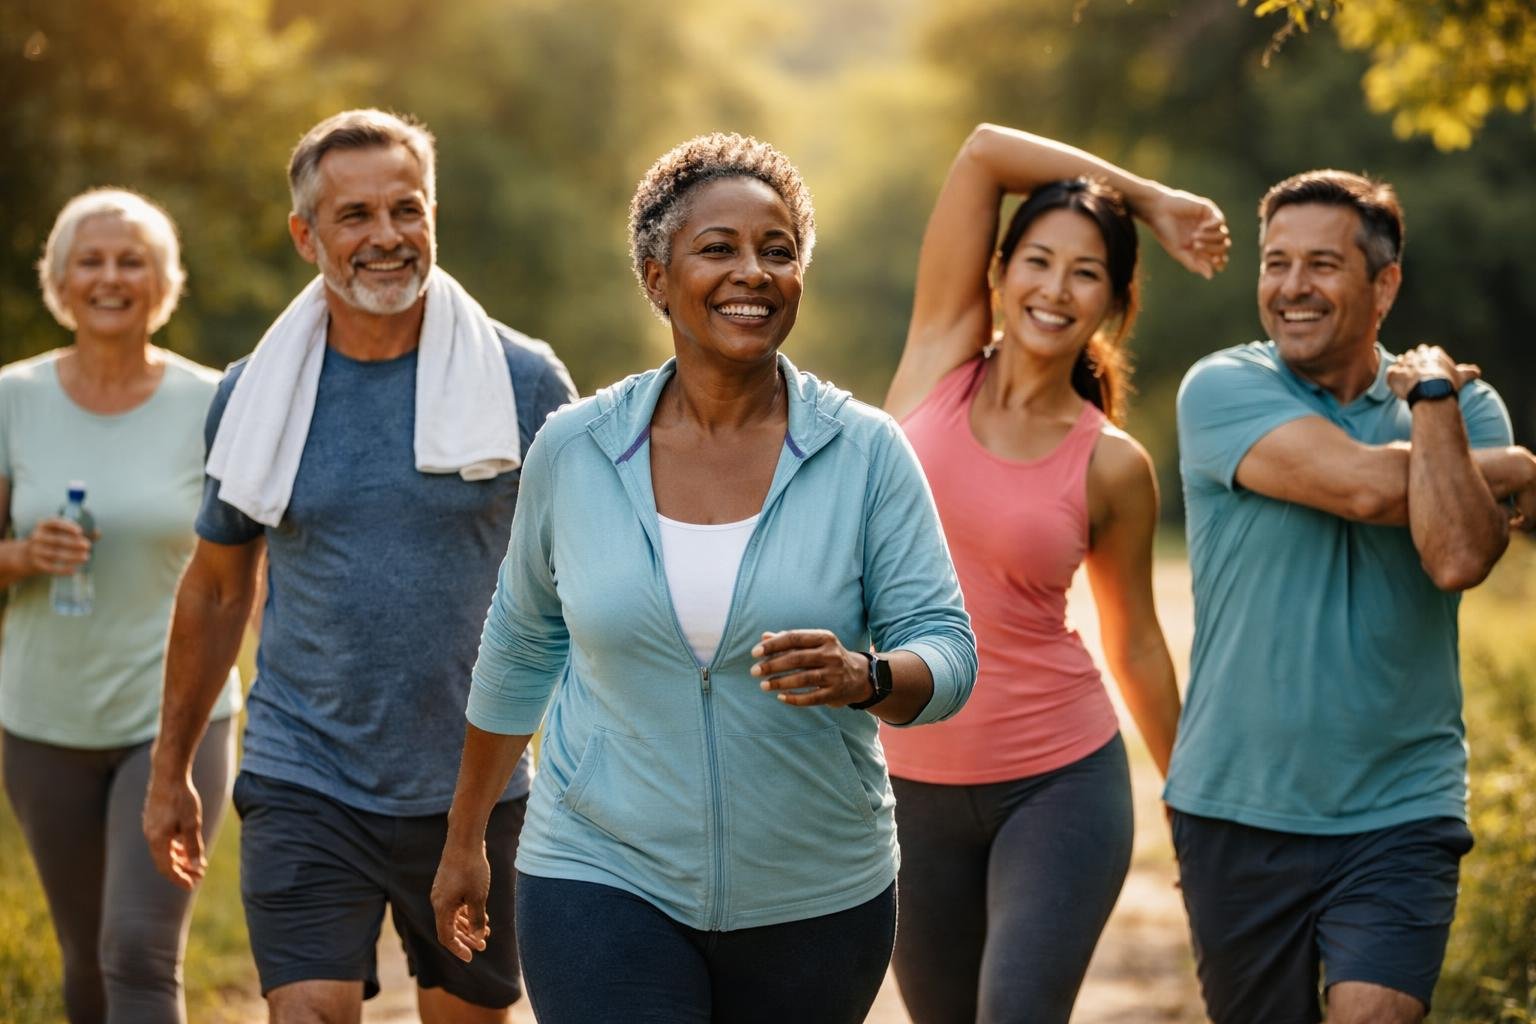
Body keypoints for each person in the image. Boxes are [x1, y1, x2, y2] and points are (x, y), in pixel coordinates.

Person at [429, 132, 978, 1024]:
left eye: (778, 250)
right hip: (600, 869)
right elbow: (521, 643)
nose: (752, 272)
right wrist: (464, 840)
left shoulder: (866, 452)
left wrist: (866, 677)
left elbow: (948, 652)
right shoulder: (577, 449)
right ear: (656, 277)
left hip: (816, 889)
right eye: (718, 248)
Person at [140, 109, 575, 1023]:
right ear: (307, 235)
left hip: (475, 784)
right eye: (355, 216)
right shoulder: (254, 393)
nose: (386, 237)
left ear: (433, 217)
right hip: (304, 774)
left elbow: (583, 584)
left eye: (406, 210)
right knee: (309, 1011)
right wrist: (170, 767)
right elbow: (219, 588)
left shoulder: (525, 384)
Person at [878, 125, 1230, 1023]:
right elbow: (985, 151)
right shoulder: (936, 364)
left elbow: (1137, 641)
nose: (1055, 287)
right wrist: (1148, 199)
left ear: (1111, 306)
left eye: (1087, 273)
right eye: (1038, 260)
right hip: (905, 782)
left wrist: (1193, 809)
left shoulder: (1111, 464)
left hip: (1059, 781)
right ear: (998, 274)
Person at [1167, 169, 1536, 1024]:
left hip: (1401, 804)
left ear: (1385, 284)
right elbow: (1364, 490)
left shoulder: (1464, 403)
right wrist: (1506, 470)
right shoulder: (1222, 387)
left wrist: (1436, 399)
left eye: (1323, 264)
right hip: (1238, 804)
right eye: (1275, 262)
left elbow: (1454, 556)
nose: (1292, 288)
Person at [0, 188, 240, 1023]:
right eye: (91, 261)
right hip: (42, 717)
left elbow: (250, 564)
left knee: (137, 952)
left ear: (162, 283)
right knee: (86, 959)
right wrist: (22, 557)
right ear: (61, 282)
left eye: (131, 260)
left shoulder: (213, 401)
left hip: (173, 714)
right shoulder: (13, 399)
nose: (110, 277)